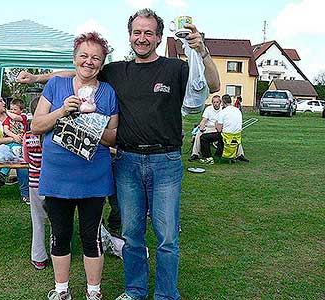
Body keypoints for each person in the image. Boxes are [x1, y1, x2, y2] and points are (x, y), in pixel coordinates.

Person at [17, 9, 220, 300]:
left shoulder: (175, 68)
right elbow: (79, 72)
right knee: (133, 235)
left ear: (159, 37)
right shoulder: (116, 71)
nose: (142, 38)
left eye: (149, 32)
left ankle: (166, 294)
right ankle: (135, 291)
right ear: (130, 36)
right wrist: (38, 77)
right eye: (137, 32)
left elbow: (212, 85)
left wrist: (203, 50)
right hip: (126, 161)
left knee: (166, 238)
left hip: (166, 162)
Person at [31, 32, 118, 300]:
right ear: (74, 58)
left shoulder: (108, 92)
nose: (89, 62)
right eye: (84, 56)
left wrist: (94, 123)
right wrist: (61, 112)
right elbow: (36, 126)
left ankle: (94, 292)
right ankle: (61, 291)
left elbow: (114, 137)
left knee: (91, 237)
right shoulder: (56, 85)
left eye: (95, 58)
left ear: (102, 63)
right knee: (60, 234)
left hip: (93, 176)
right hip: (57, 176)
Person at [22, 96, 49, 270]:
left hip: (34, 182)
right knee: (59, 220)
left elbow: (26, 159)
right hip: (53, 182)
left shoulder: (28, 136)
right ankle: (61, 249)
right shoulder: (53, 132)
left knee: (38, 221)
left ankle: (39, 257)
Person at [0, 98, 28, 191]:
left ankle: (3, 173)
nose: (12, 111)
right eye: (11, 109)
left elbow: (15, 117)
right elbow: (6, 130)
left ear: (21, 110)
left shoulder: (23, 117)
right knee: (7, 153)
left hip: (19, 144)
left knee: (14, 152)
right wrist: (14, 136)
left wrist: (6, 111)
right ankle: (2, 174)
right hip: (10, 141)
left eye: (15, 109)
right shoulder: (7, 119)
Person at [215, 94, 249, 162]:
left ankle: (209, 156)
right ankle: (239, 155)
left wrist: (216, 124)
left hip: (226, 137)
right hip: (237, 136)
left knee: (205, 137)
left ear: (223, 102)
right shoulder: (238, 111)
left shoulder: (223, 112)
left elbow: (219, 129)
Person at [188, 95, 222, 162]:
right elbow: (204, 120)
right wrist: (201, 126)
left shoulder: (223, 110)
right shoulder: (208, 109)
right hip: (208, 127)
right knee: (198, 134)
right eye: (214, 102)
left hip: (218, 128)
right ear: (212, 103)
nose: (215, 104)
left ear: (220, 102)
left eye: (217, 102)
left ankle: (240, 155)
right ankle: (195, 154)